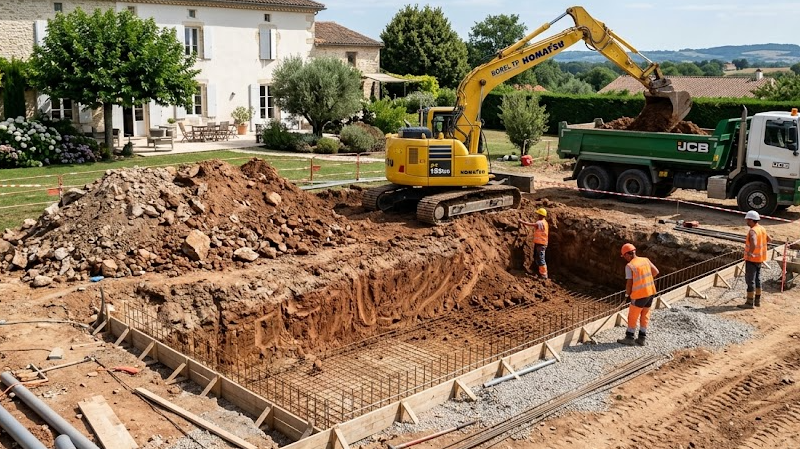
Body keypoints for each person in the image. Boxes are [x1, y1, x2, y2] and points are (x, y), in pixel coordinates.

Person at [618, 243, 660, 346]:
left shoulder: (630, 266)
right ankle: (642, 338)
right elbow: (655, 272)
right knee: (645, 314)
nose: (625, 259)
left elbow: (629, 283)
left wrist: (627, 294)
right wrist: (646, 280)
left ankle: (629, 337)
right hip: (650, 292)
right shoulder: (645, 260)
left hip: (639, 295)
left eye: (624, 256)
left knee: (633, 315)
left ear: (628, 254)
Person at [738, 210, 771, 309]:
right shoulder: (762, 229)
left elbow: (753, 242)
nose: (746, 222)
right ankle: (757, 301)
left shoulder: (753, 231)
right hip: (760, 258)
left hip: (752, 260)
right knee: (758, 279)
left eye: (747, 220)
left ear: (751, 220)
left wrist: (750, 253)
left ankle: (749, 303)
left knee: (750, 280)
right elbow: (769, 239)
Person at [519, 208, 549, 279]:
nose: (537, 215)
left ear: (541, 215)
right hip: (542, 243)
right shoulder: (545, 222)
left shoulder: (540, 222)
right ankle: (539, 271)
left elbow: (530, 224)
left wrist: (522, 222)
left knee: (541, 258)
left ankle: (544, 274)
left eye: (538, 214)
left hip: (541, 244)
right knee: (538, 257)